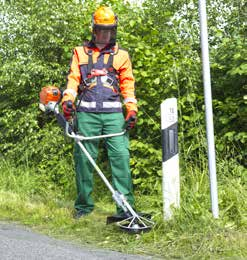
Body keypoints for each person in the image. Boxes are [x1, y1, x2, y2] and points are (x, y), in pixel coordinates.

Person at [61, 6, 138, 219]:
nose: (106, 34)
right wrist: (68, 101)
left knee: (121, 158)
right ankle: (84, 208)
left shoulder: (121, 55)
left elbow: (128, 85)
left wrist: (131, 110)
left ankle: (126, 209)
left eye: (110, 30)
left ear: (114, 30)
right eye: (102, 30)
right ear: (94, 30)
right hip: (86, 114)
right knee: (84, 160)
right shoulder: (80, 53)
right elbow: (73, 79)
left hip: (114, 116)